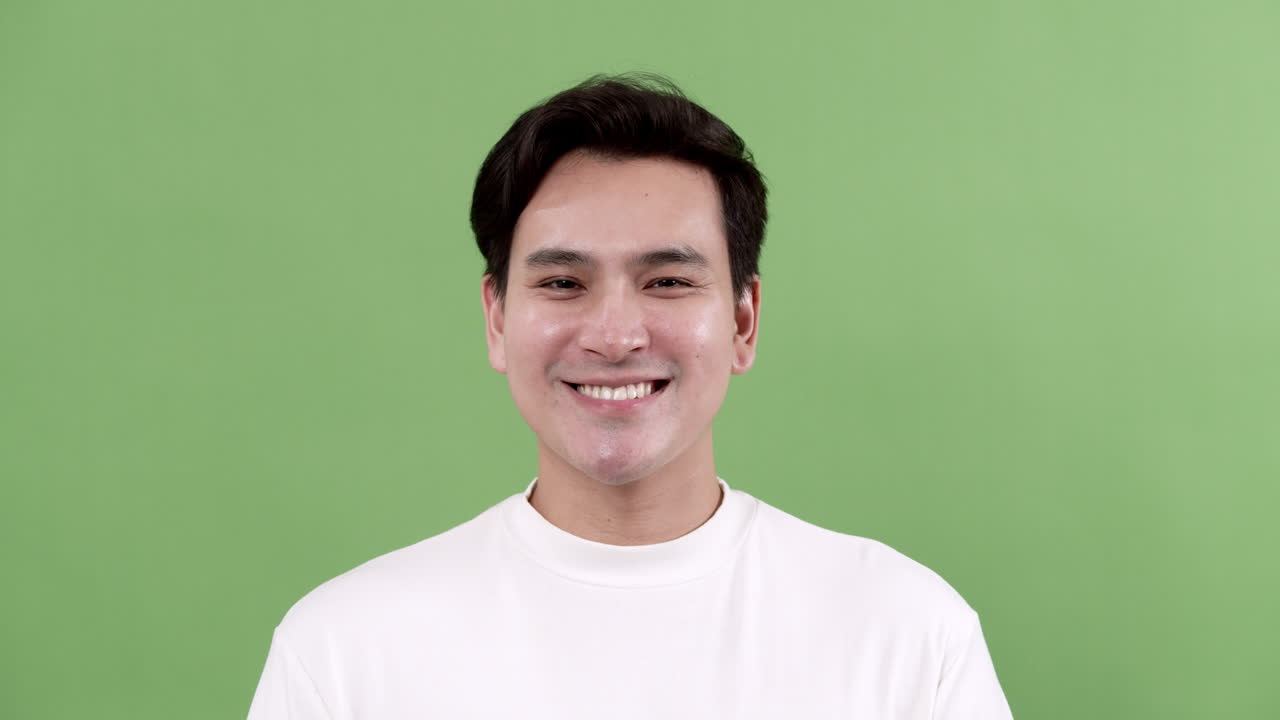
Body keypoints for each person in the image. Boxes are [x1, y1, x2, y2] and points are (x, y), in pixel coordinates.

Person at [246, 72, 1014, 719]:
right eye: (563, 283)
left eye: (669, 282)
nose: (615, 335)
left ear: (744, 319)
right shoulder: (343, 653)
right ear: (496, 318)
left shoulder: (907, 635)